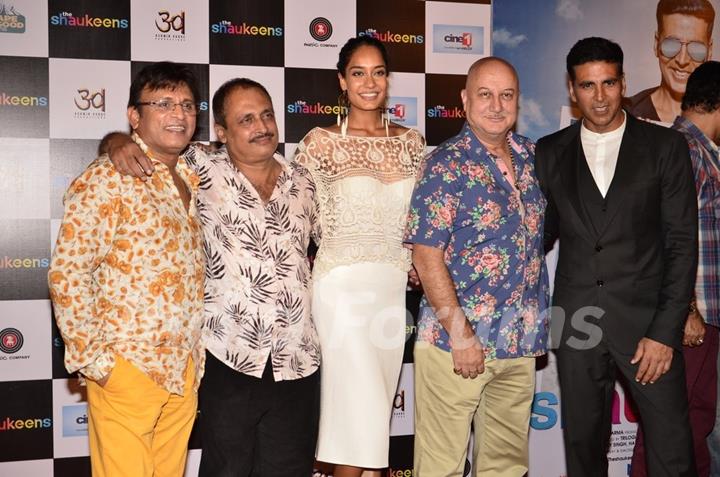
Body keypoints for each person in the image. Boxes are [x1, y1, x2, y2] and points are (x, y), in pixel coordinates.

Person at [104, 78, 321, 476]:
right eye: (246, 119)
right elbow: (141, 146)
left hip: (298, 358)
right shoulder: (197, 168)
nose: (262, 126)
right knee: (226, 469)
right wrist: (117, 142)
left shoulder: (304, 181)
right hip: (228, 354)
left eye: (267, 115)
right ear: (221, 133)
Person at [535, 37, 698, 476]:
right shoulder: (549, 152)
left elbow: (682, 243)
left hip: (648, 327)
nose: (600, 96)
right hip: (575, 327)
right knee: (583, 451)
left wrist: (665, 333)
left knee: (671, 450)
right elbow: (538, 237)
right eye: (588, 86)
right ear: (572, 90)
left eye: (609, 83)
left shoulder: (665, 148)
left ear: (624, 82)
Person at [48, 61, 206, 477]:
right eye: (164, 103)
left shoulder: (192, 177)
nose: (179, 114)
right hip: (128, 366)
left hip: (182, 369)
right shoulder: (107, 178)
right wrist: (99, 364)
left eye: (188, 105)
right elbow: (68, 273)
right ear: (135, 116)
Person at [404, 56, 549, 476]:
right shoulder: (444, 165)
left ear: (518, 102)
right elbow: (425, 255)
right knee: (441, 468)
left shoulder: (533, 158)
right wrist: (460, 333)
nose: (496, 105)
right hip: (456, 344)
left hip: (518, 342)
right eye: (485, 94)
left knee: (505, 468)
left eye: (506, 95)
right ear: (465, 101)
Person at [292, 36, 426, 477]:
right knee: (358, 417)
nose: (369, 82)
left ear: (388, 80)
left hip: (390, 292)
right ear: (342, 82)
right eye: (358, 73)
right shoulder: (319, 143)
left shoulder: (411, 143)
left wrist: (417, 265)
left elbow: (421, 223)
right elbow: (298, 219)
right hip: (341, 291)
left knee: (372, 419)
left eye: (378, 72)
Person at [631, 60, 720, 477]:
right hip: (687, 319)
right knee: (671, 427)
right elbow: (661, 236)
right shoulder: (685, 150)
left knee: (692, 423)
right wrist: (685, 309)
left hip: (697, 317)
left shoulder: (699, 151)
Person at [626, 0, 715, 124]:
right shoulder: (627, 115)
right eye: (671, 45)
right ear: (656, 44)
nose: (682, 60)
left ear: (709, 51)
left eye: (696, 48)